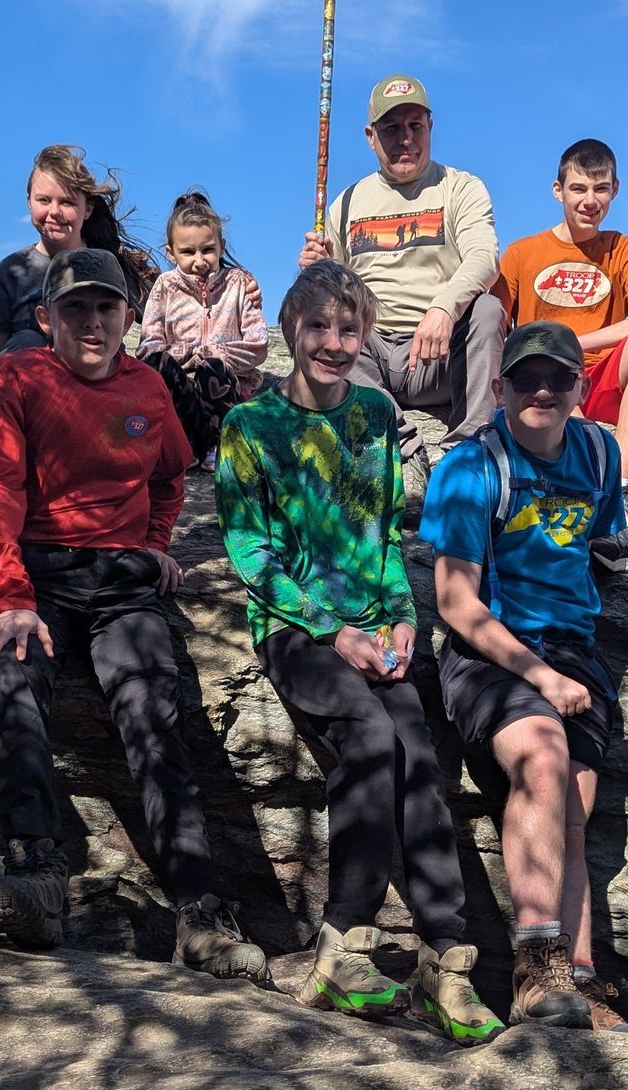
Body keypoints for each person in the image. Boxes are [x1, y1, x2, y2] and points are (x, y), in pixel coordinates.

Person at [0, 246, 267, 981]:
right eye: (75, 309)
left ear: (130, 316)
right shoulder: (13, 377)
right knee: (12, 677)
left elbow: (169, 478)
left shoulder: (147, 389)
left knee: (153, 706)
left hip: (119, 580)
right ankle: (36, 872)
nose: (93, 322)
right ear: (45, 317)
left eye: (106, 308)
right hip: (30, 567)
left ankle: (199, 914)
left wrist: (155, 544)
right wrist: (8, 596)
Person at [215, 261, 501, 1043]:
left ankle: (449, 960)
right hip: (297, 630)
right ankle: (344, 946)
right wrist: (328, 629)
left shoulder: (375, 414)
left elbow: (383, 537)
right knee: (370, 742)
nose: (334, 344)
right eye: (319, 328)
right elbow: (250, 550)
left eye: (349, 330)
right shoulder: (251, 427)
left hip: (374, 628)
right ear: (291, 332)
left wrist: (402, 621)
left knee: (418, 758)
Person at [421, 320, 628, 1052]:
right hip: (491, 648)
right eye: (528, 379)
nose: (543, 391)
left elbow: (596, 541)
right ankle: (535, 966)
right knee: (544, 757)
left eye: (559, 378)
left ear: (580, 389)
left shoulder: (596, 450)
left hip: (573, 644)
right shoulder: (470, 467)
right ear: (501, 388)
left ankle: (580, 981)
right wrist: (538, 675)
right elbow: (456, 603)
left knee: (577, 803)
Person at [297, 74, 503, 475]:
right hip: (370, 350)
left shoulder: (460, 187)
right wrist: (317, 268)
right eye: (391, 128)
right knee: (318, 324)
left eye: (415, 126)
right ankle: (403, 452)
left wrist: (444, 307)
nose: (405, 138)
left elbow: (484, 257)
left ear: (430, 127)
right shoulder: (346, 203)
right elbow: (335, 292)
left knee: (489, 310)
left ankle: (467, 454)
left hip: (439, 354)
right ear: (371, 136)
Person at [492, 137, 628, 568]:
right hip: (549, 383)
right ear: (558, 191)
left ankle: (621, 484)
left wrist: (573, 344)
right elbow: (496, 328)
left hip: (602, 377)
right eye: (579, 189)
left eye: (601, 189)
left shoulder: (621, 247)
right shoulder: (522, 253)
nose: (590, 201)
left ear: (614, 190)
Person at [0, 144, 154, 366]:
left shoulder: (109, 266)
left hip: (102, 390)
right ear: (29, 201)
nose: (54, 212)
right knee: (27, 339)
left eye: (67, 202)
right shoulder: (10, 273)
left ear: (88, 209)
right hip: (33, 391)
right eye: (44, 200)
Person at [139, 190, 268, 460]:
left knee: (214, 368)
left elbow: (258, 345)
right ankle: (181, 444)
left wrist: (211, 354)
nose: (199, 261)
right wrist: (186, 357)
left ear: (221, 246)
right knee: (157, 365)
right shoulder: (164, 287)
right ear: (171, 253)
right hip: (183, 388)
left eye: (207, 250)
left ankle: (215, 446)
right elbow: (148, 345)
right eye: (188, 252)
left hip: (228, 387)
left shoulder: (239, 284)